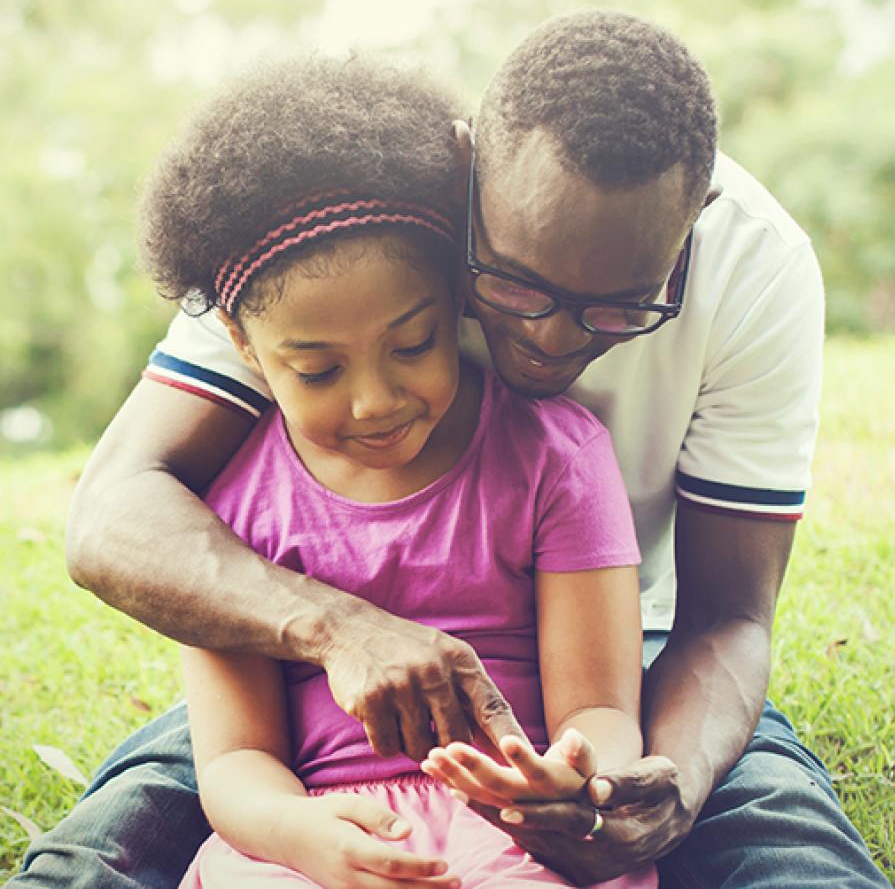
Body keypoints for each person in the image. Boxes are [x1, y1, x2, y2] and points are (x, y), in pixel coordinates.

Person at [13, 9, 889, 889]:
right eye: (511, 284)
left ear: (695, 222)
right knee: (96, 859)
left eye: (620, 306)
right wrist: (339, 632)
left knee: (794, 858)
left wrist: (662, 785)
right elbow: (112, 516)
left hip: (631, 667)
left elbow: (730, 616)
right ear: (468, 174)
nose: (551, 339)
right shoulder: (342, 221)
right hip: (318, 686)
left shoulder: (758, 267)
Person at [147, 54, 652, 888]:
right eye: (316, 371)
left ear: (457, 294)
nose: (374, 401)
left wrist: (572, 772)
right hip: (314, 828)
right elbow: (235, 758)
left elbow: (599, 705)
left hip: (509, 824)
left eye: (412, 345)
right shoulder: (230, 509)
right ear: (242, 346)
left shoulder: (556, 459)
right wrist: (302, 835)